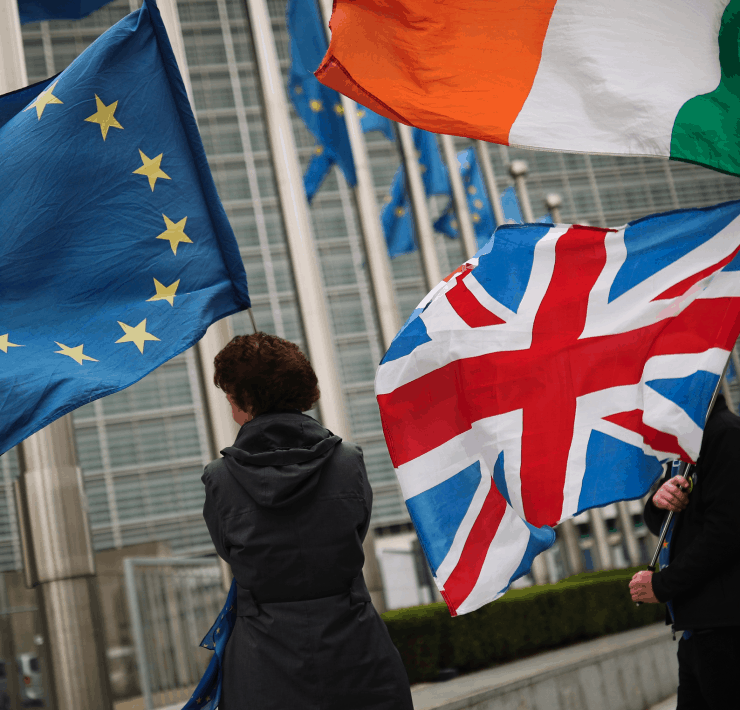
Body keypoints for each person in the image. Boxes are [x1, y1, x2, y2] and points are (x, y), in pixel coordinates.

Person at [201, 332, 413, 710]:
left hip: (262, 664)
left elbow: (228, 551)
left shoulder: (220, 478)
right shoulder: (349, 460)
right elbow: (356, 530)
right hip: (357, 651)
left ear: (245, 401)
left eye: (230, 396)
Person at [629, 393, 740, 709]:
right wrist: (657, 500)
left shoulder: (725, 434)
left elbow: (726, 533)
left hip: (726, 631)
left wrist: (661, 586)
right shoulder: (687, 448)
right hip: (697, 633)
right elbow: (660, 522)